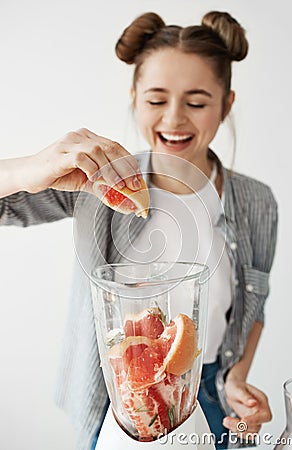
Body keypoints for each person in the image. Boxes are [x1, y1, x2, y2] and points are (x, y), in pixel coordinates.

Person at [0, 10, 277, 450]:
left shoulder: (258, 203)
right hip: (113, 398)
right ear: (133, 97)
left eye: (197, 101)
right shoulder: (99, 183)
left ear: (227, 104)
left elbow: (252, 307)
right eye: (155, 100)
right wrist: (32, 168)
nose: (173, 118)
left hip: (207, 396)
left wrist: (237, 379)